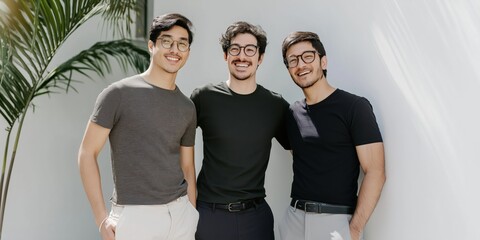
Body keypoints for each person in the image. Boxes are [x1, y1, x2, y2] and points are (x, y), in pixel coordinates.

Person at [78, 13, 198, 240]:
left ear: (188, 52)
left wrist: (191, 214)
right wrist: (101, 219)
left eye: (182, 43)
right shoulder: (118, 94)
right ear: (151, 46)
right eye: (167, 41)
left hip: (181, 215)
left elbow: (188, 167)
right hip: (135, 216)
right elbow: (87, 153)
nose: (175, 49)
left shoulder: (187, 107)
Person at [279, 31, 386, 240]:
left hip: (336, 224)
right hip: (294, 221)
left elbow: (375, 171)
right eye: (293, 60)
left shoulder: (354, 107)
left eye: (307, 56)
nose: (301, 64)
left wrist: (354, 229)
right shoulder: (292, 113)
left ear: (323, 61)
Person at [190, 21, 290, 240]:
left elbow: (303, 151)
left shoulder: (275, 105)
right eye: (234, 49)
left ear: (260, 58)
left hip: (256, 218)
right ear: (226, 55)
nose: (242, 56)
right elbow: (174, 144)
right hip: (209, 215)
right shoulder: (203, 98)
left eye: (250, 50)